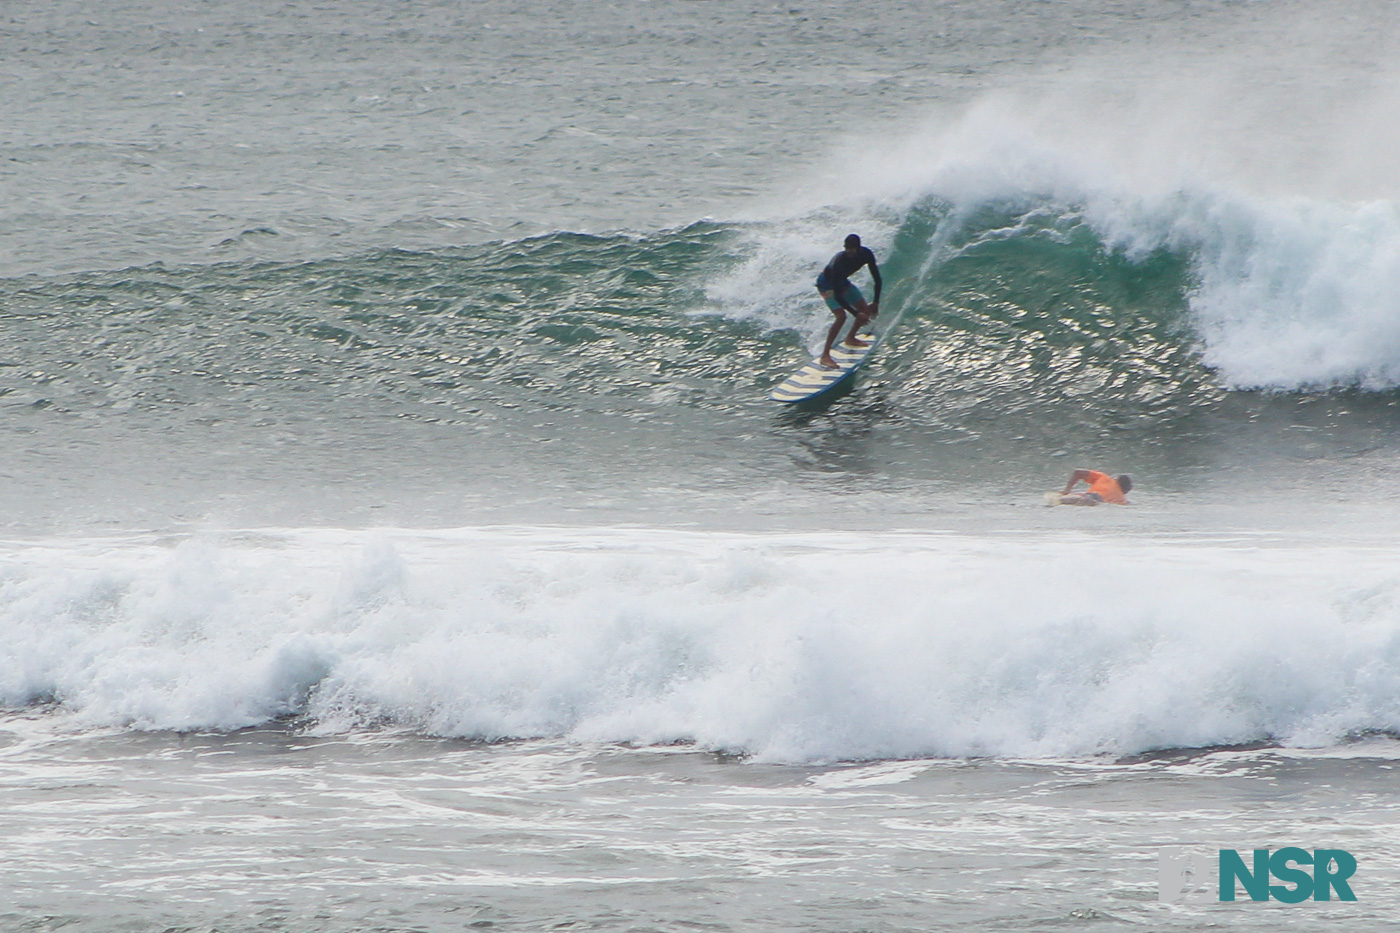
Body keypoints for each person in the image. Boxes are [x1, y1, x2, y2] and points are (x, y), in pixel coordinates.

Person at [816, 233, 882, 369]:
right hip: (827, 284)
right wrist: (856, 314)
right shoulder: (838, 262)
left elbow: (877, 279)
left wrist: (876, 302)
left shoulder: (866, 254)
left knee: (864, 309)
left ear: (858, 248)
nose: (848, 252)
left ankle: (850, 338)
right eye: (846, 249)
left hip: (842, 282)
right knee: (841, 316)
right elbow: (838, 296)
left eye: (851, 249)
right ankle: (825, 356)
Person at [1055, 469, 1133, 506]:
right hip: (1099, 503)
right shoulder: (1122, 499)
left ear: (1118, 480)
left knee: (1060, 501)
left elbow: (1078, 472)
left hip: (1090, 496)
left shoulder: (1105, 478)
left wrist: (1067, 490)